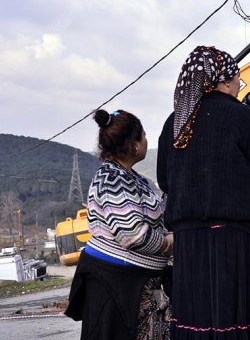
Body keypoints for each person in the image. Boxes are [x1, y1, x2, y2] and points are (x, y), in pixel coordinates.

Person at [157, 46, 250, 339]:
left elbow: (166, 181)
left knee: (196, 320)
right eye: (238, 77)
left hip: (189, 246)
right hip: (236, 242)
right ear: (223, 80)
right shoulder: (241, 118)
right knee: (239, 320)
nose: (240, 84)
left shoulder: (175, 122)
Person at [65, 109, 173, 340]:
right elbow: (133, 236)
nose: (146, 140)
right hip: (114, 287)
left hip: (131, 284)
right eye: (143, 135)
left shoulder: (132, 177)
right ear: (133, 144)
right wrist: (168, 243)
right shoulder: (112, 179)